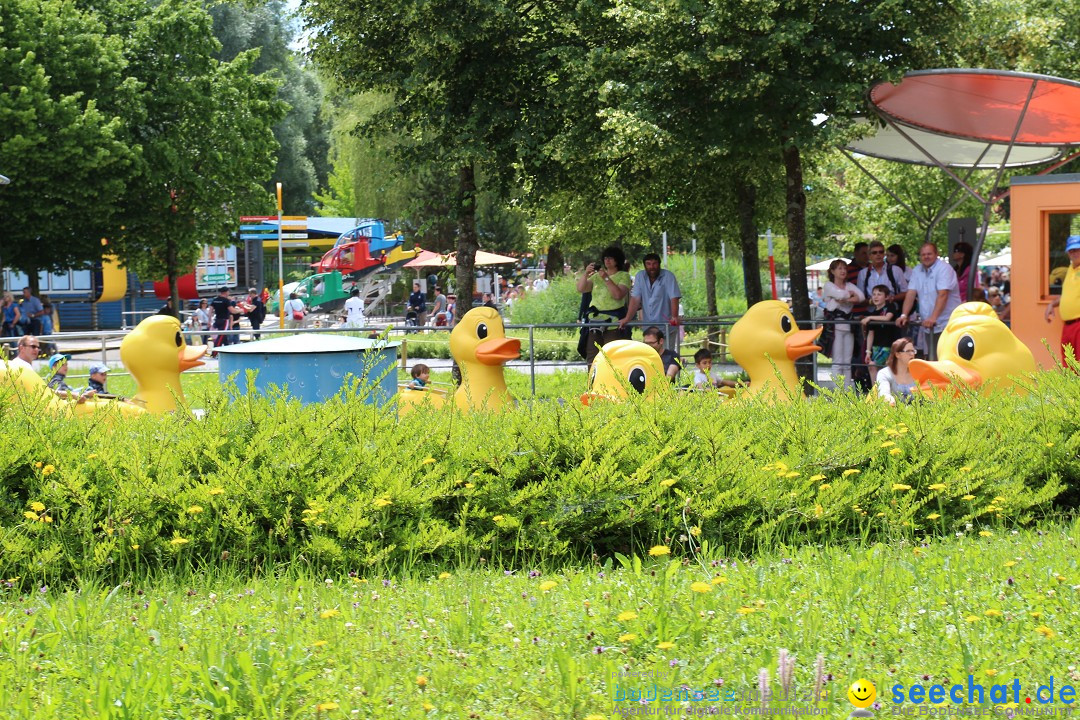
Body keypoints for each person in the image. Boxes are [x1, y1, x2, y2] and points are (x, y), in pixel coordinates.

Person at [898, 243, 962, 360]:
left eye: (929, 254)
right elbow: (911, 293)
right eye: (923, 254)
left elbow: (943, 294)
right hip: (929, 325)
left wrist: (933, 317)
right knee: (933, 360)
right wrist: (904, 315)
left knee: (948, 359)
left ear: (937, 254)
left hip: (947, 324)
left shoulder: (944, 269)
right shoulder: (917, 270)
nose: (926, 257)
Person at [577, 246, 632, 367]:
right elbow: (581, 288)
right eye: (606, 258)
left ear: (617, 260)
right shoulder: (596, 277)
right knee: (592, 355)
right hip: (594, 321)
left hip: (613, 322)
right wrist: (586, 274)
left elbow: (618, 295)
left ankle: (613, 383)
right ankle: (593, 384)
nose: (607, 260)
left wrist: (606, 278)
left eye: (611, 258)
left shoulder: (623, 276)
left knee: (612, 356)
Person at [619, 252, 681, 346]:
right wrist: (627, 318)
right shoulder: (640, 276)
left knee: (666, 357)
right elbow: (635, 298)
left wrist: (674, 316)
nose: (652, 267)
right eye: (648, 264)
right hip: (649, 328)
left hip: (666, 327)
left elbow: (674, 297)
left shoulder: (668, 276)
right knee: (650, 357)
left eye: (654, 264)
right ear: (644, 265)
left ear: (659, 264)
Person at [822, 259, 865, 389]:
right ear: (833, 271)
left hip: (848, 325)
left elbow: (861, 297)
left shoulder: (849, 285)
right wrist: (849, 296)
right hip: (835, 326)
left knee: (847, 361)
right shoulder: (829, 285)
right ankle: (837, 390)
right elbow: (838, 294)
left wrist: (845, 298)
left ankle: (846, 389)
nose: (843, 271)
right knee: (837, 361)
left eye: (844, 268)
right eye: (839, 268)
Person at [1043, 234, 1080, 365]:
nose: (1074, 253)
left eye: (1077, 249)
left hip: (1078, 324)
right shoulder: (1071, 269)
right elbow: (1067, 295)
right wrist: (1051, 305)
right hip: (1068, 326)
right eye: (1071, 250)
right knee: (1069, 364)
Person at [861, 285, 900, 381]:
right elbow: (871, 333)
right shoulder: (873, 312)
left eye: (879, 294)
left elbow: (887, 318)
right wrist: (868, 351)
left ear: (886, 297)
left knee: (876, 366)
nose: (875, 297)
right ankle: (875, 391)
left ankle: (880, 391)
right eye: (874, 294)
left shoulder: (890, 307)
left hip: (888, 345)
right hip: (876, 347)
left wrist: (870, 318)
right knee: (873, 367)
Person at [857, 241, 908, 305]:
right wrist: (872, 302)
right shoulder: (863, 273)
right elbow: (860, 298)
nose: (878, 254)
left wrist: (892, 298)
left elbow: (905, 292)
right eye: (874, 253)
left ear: (884, 255)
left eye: (881, 252)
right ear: (869, 256)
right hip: (872, 311)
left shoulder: (896, 270)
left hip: (892, 310)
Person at [875, 338, 918, 405]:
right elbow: (884, 394)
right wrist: (890, 400)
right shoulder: (884, 373)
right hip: (893, 412)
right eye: (908, 351)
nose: (912, 354)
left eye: (913, 351)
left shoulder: (918, 372)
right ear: (897, 354)